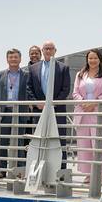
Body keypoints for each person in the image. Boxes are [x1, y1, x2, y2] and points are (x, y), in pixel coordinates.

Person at [27, 41, 70, 169]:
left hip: (57, 110)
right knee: (38, 139)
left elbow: (66, 89)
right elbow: (29, 88)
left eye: (51, 49)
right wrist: (36, 102)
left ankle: (61, 170)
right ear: (42, 50)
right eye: (46, 48)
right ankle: (36, 168)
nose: (48, 51)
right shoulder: (33, 68)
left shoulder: (63, 68)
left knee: (59, 140)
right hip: (38, 110)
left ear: (55, 51)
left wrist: (52, 104)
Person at [72, 49, 102, 183]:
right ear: (87, 60)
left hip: (97, 112)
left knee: (97, 144)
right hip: (82, 112)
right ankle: (88, 174)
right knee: (84, 145)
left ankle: (100, 175)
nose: (92, 60)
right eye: (90, 58)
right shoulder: (80, 74)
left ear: (100, 59)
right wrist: (83, 103)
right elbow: (75, 93)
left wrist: (94, 103)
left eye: (95, 58)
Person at [0, 49, 34, 175]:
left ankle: (20, 170)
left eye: (15, 57)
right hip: (5, 112)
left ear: (20, 59)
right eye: (10, 57)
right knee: (3, 142)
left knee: (20, 142)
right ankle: (1, 170)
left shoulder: (27, 75)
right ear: (7, 59)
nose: (13, 59)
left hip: (21, 113)